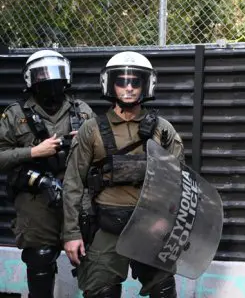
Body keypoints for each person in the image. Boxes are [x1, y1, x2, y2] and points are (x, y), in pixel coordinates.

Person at [62, 51, 184, 298]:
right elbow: (73, 183)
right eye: (122, 82)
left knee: (163, 289)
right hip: (106, 225)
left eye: (135, 82)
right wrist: (72, 233)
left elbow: (178, 182)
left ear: (145, 85)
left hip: (151, 227)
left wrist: (170, 223)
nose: (128, 88)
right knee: (101, 291)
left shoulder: (162, 130)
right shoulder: (92, 129)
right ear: (111, 84)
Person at [0, 49, 95, 298]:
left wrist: (86, 140)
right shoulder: (15, 114)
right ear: (31, 79)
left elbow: (103, 152)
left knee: (90, 258)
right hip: (36, 201)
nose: (50, 79)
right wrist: (33, 152)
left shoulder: (82, 111)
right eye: (43, 74)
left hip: (77, 198)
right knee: (40, 259)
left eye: (56, 72)